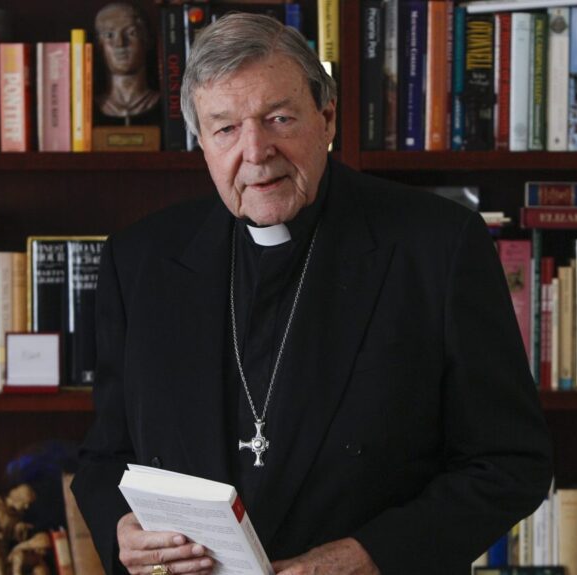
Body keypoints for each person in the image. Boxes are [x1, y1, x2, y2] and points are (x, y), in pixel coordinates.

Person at [71, 12, 552, 575]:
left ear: (326, 117)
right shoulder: (141, 260)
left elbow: (510, 463)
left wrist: (368, 557)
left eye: (279, 118)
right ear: (202, 142)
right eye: (225, 128)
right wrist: (121, 530)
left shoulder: (438, 247)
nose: (256, 151)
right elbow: (106, 457)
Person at [93, 2, 160, 123]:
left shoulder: (169, 107)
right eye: (109, 35)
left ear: (147, 40)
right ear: (99, 45)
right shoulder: (88, 110)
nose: (120, 43)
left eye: (131, 33)